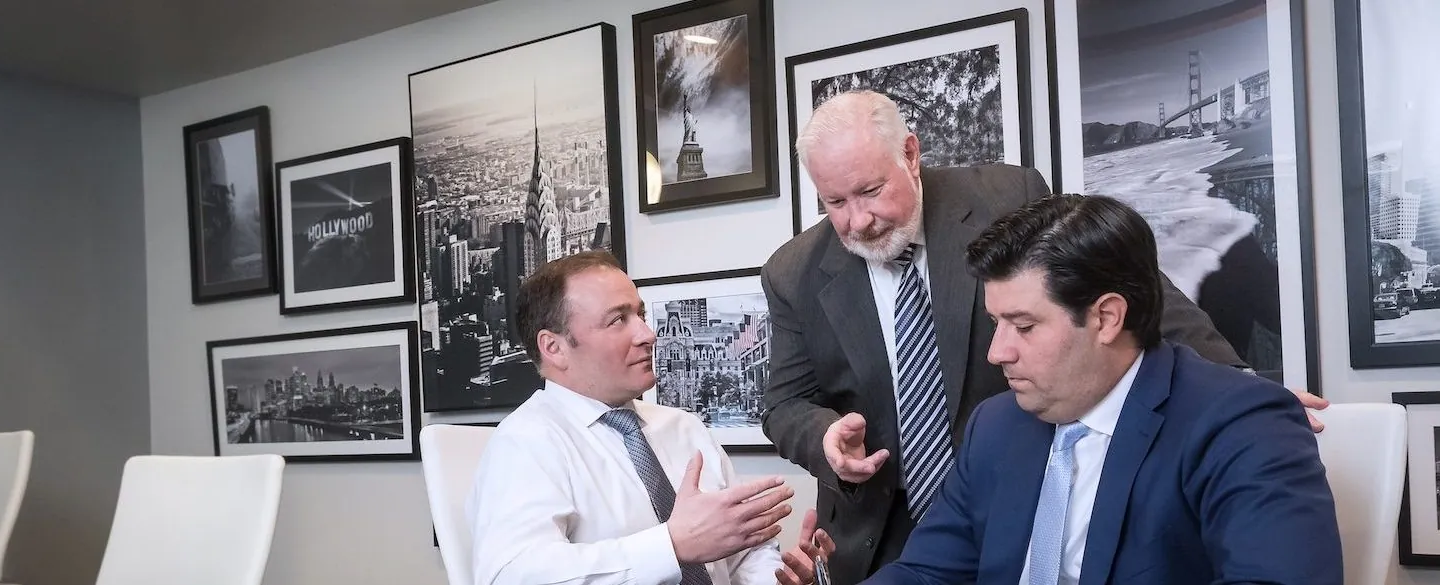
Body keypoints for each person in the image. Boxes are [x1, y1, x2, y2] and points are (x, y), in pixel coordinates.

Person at [758, 89, 1328, 583]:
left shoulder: (1003, 197)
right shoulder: (794, 271)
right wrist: (826, 437)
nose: (858, 220)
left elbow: (1119, 278)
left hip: (1030, 475)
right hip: (888, 528)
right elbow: (784, 403)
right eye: (835, 202)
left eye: (871, 191)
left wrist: (1229, 394)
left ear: (910, 154)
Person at [858, 193, 1341, 584]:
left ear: (1106, 317)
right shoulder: (997, 425)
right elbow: (927, 572)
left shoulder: (1242, 425)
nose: (997, 352)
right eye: (995, 323)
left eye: (1023, 326)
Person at [467, 250, 835, 585]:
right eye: (617, 321)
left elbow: (743, 554)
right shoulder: (525, 442)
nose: (648, 334)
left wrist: (777, 580)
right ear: (555, 348)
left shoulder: (683, 428)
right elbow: (512, 574)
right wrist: (672, 545)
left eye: (640, 314)